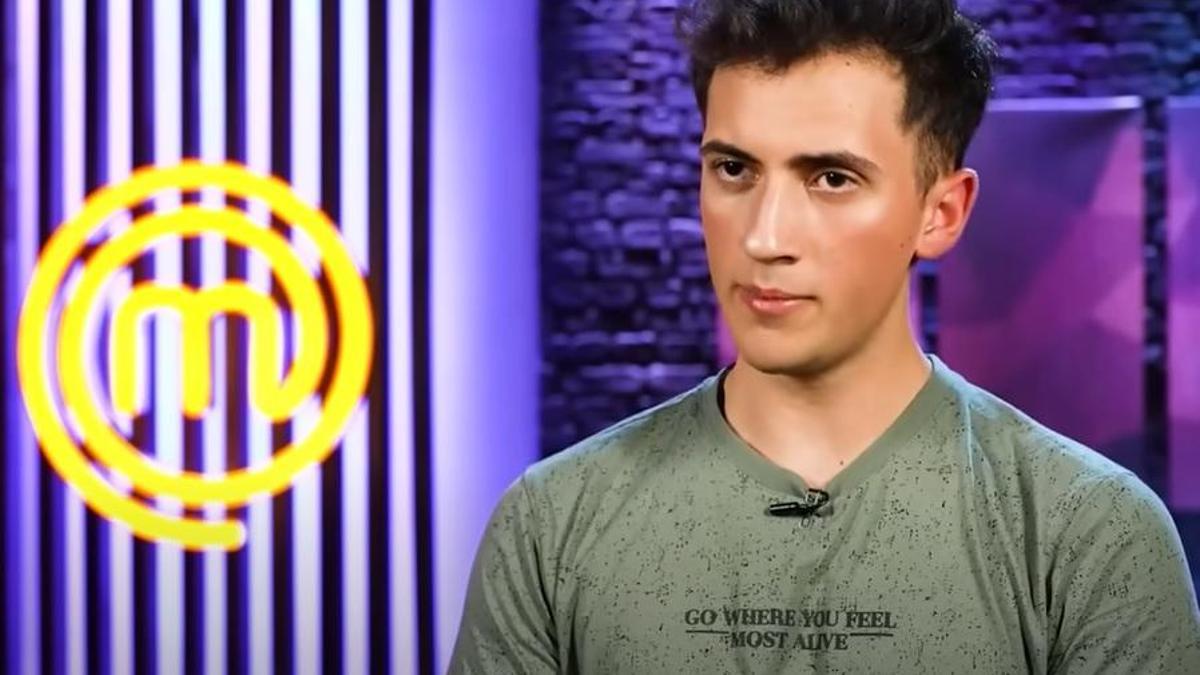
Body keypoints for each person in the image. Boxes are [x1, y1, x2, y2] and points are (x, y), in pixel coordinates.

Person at [449, 0, 1200, 672]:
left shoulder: (1088, 535)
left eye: (831, 178)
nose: (764, 237)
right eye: (734, 169)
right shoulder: (553, 524)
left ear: (941, 212)